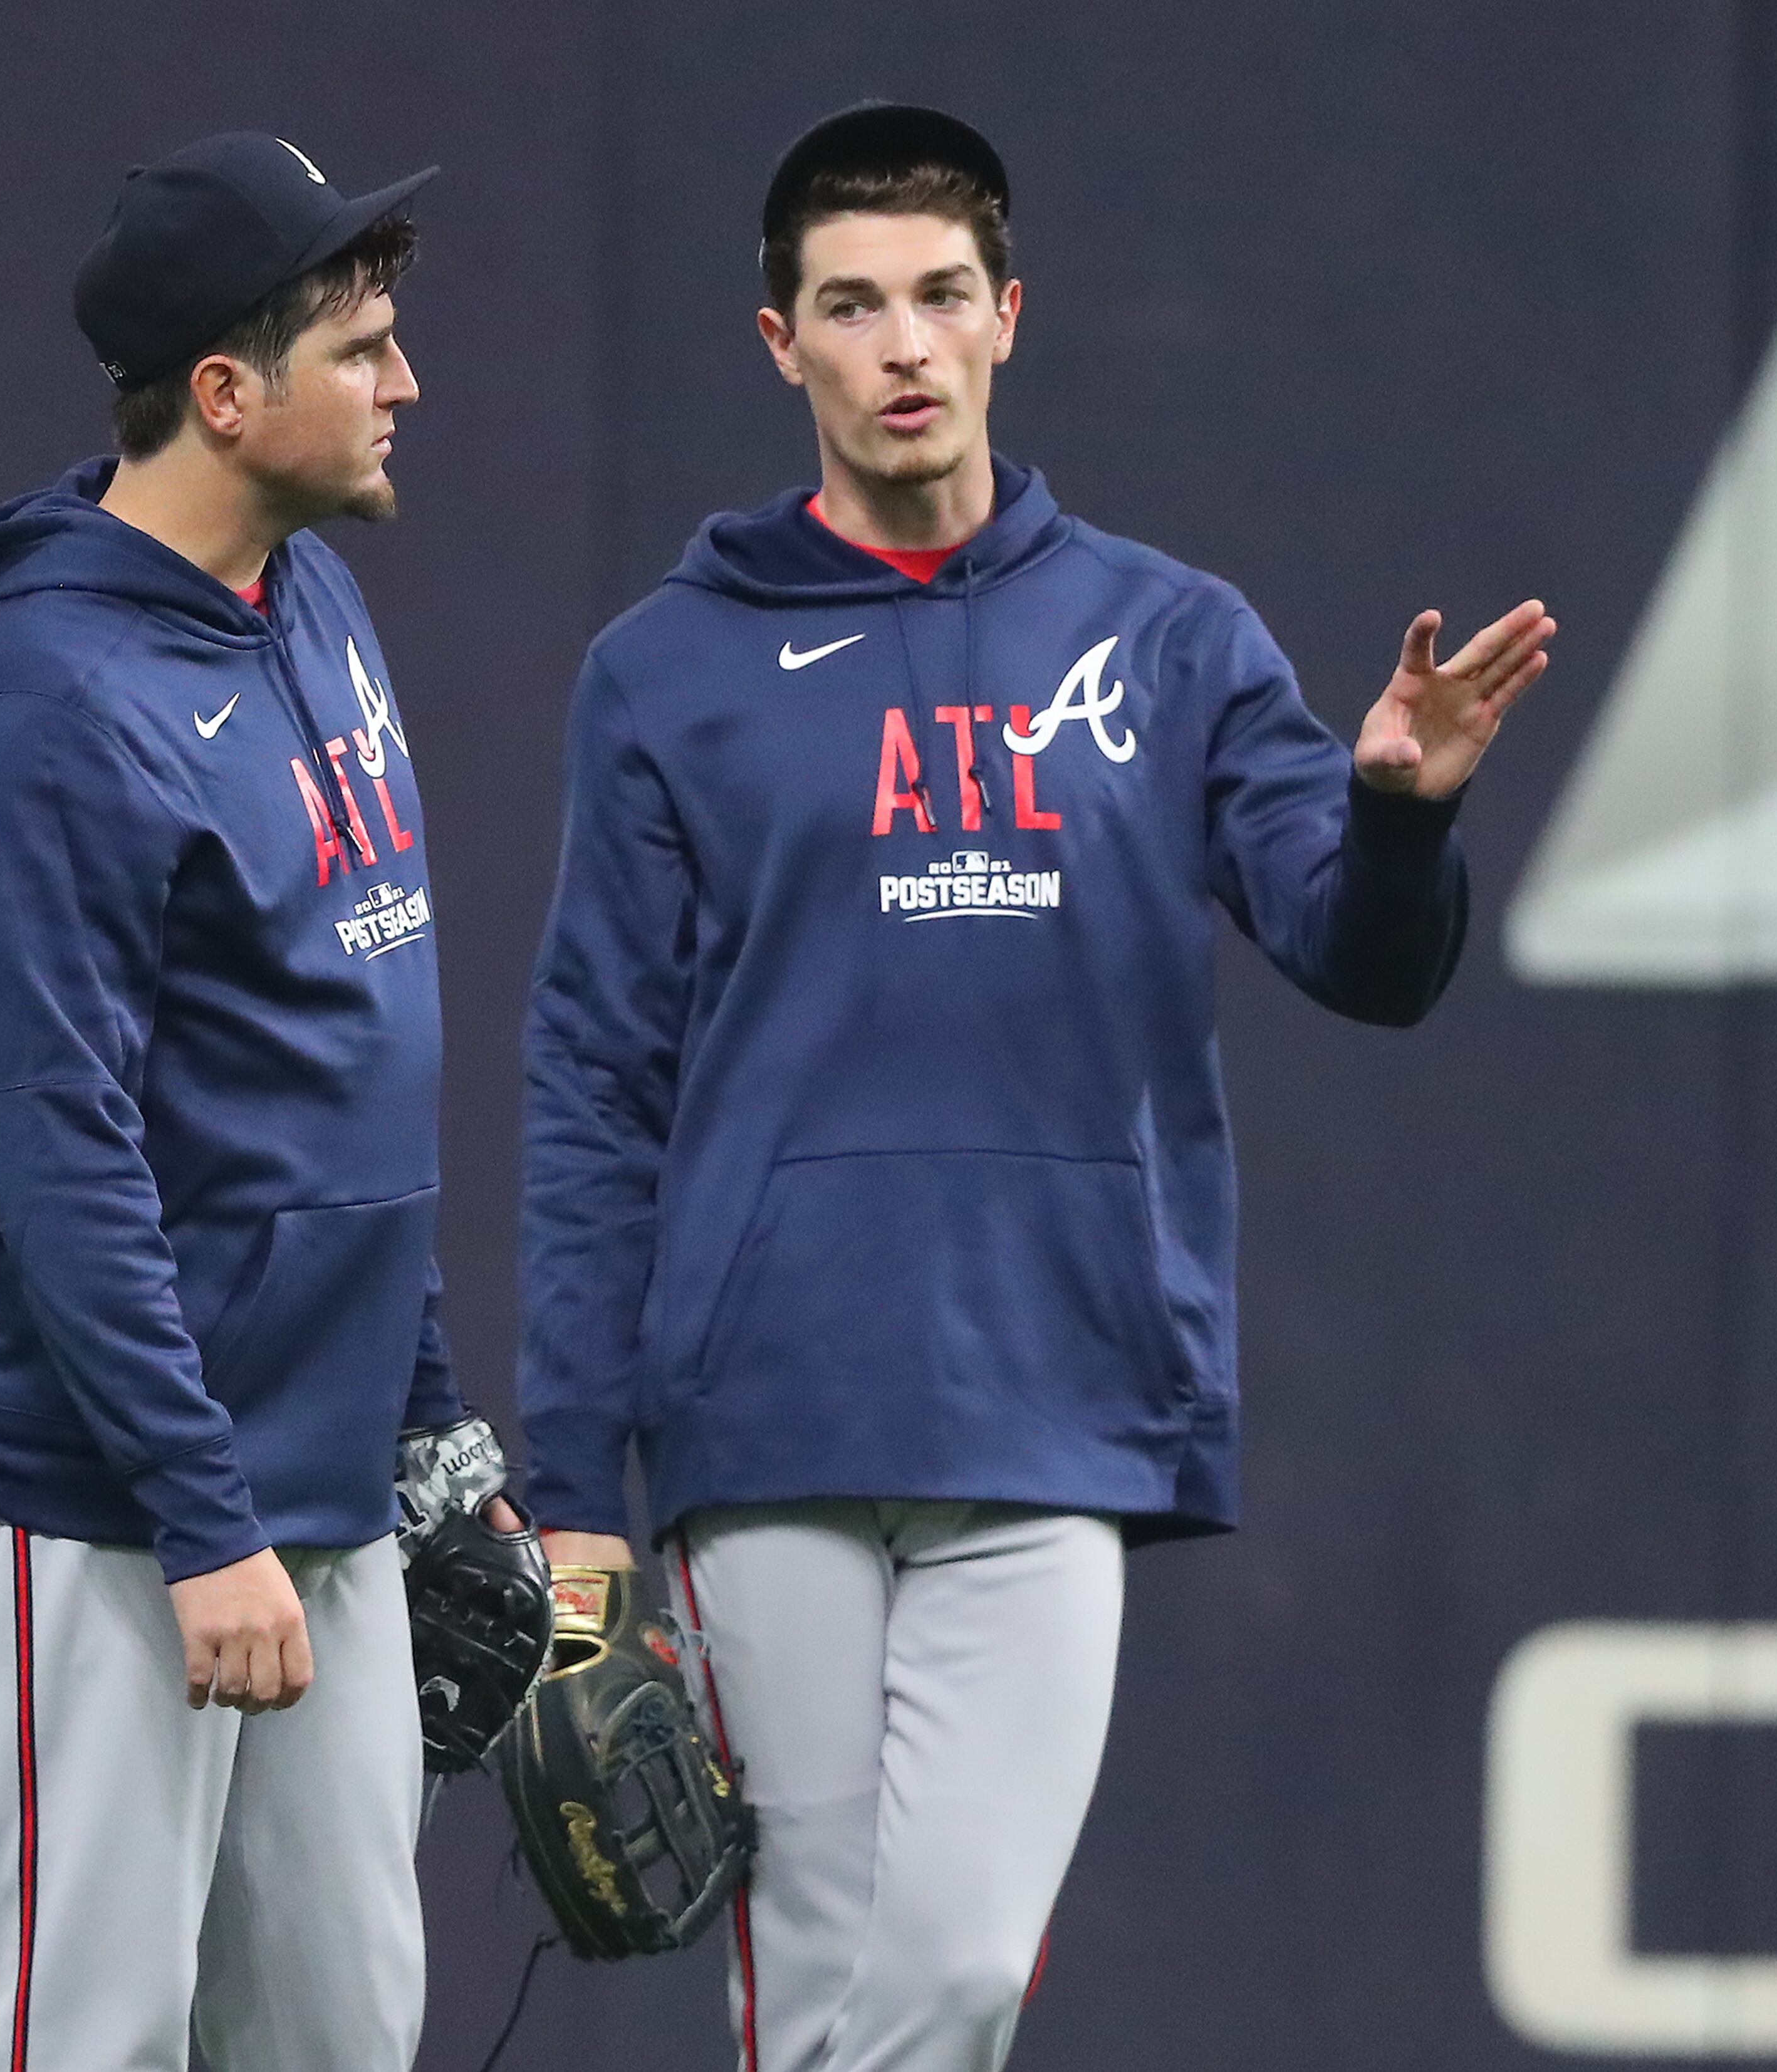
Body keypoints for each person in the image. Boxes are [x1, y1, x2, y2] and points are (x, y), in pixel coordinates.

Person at [518, 103, 1553, 2072]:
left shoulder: (1168, 638)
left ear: (1009, 317)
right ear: (780, 344)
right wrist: (576, 1484)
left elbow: (1364, 955)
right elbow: (593, 1080)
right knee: (812, 1978)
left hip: (1055, 1401)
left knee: (962, 1962)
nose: (901, 343)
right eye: (851, 305)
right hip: (768, 1416)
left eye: (938, 296)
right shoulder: (666, 672)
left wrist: (1401, 817)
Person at [0, 130, 505, 2072]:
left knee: (338, 2031)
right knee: (98, 2035)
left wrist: (433, 1429)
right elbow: (58, 1147)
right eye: (363, 346)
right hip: (85, 1496)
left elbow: (342, 1088)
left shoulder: (305, 598)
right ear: (226, 394)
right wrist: (202, 1520)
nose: (405, 385)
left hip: (303, 1475)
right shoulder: (45, 702)